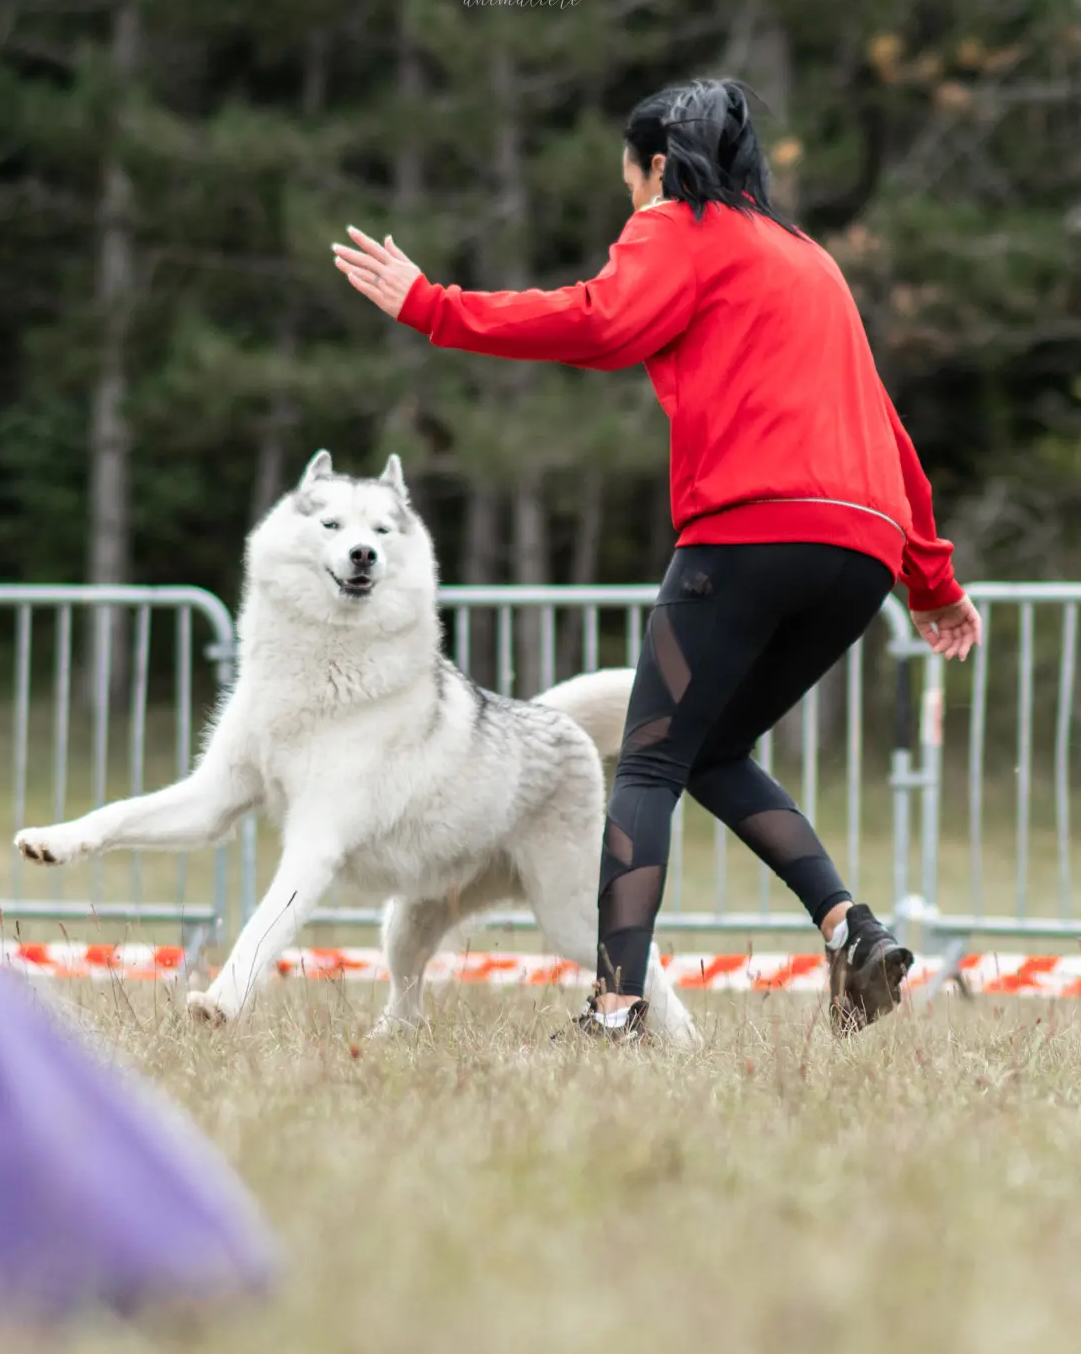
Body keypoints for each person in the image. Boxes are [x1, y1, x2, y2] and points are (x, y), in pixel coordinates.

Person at [332, 76, 982, 1039]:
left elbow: (600, 319)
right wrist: (932, 581)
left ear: (655, 169)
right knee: (710, 747)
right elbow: (885, 426)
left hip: (748, 533)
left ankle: (617, 1005)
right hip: (859, 552)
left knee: (645, 763)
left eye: (627, 187)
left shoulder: (677, 223)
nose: (625, 214)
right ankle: (851, 929)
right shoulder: (810, 261)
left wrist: (435, 306)